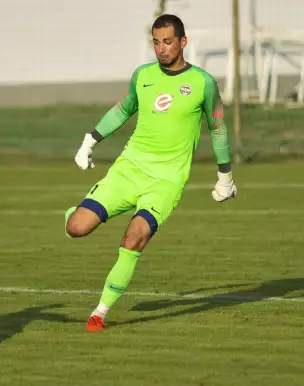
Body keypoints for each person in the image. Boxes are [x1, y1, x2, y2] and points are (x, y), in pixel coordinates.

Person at [65, 14, 237, 331]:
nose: (161, 49)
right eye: (156, 42)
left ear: (183, 42)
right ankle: (72, 214)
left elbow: (218, 128)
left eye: (167, 41)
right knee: (76, 227)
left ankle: (99, 314)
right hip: (129, 169)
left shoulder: (203, 82)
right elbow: (123, 110)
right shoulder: (142, 76)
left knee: (135, 236)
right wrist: (89, 142)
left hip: (167, 181)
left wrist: (225, 176)